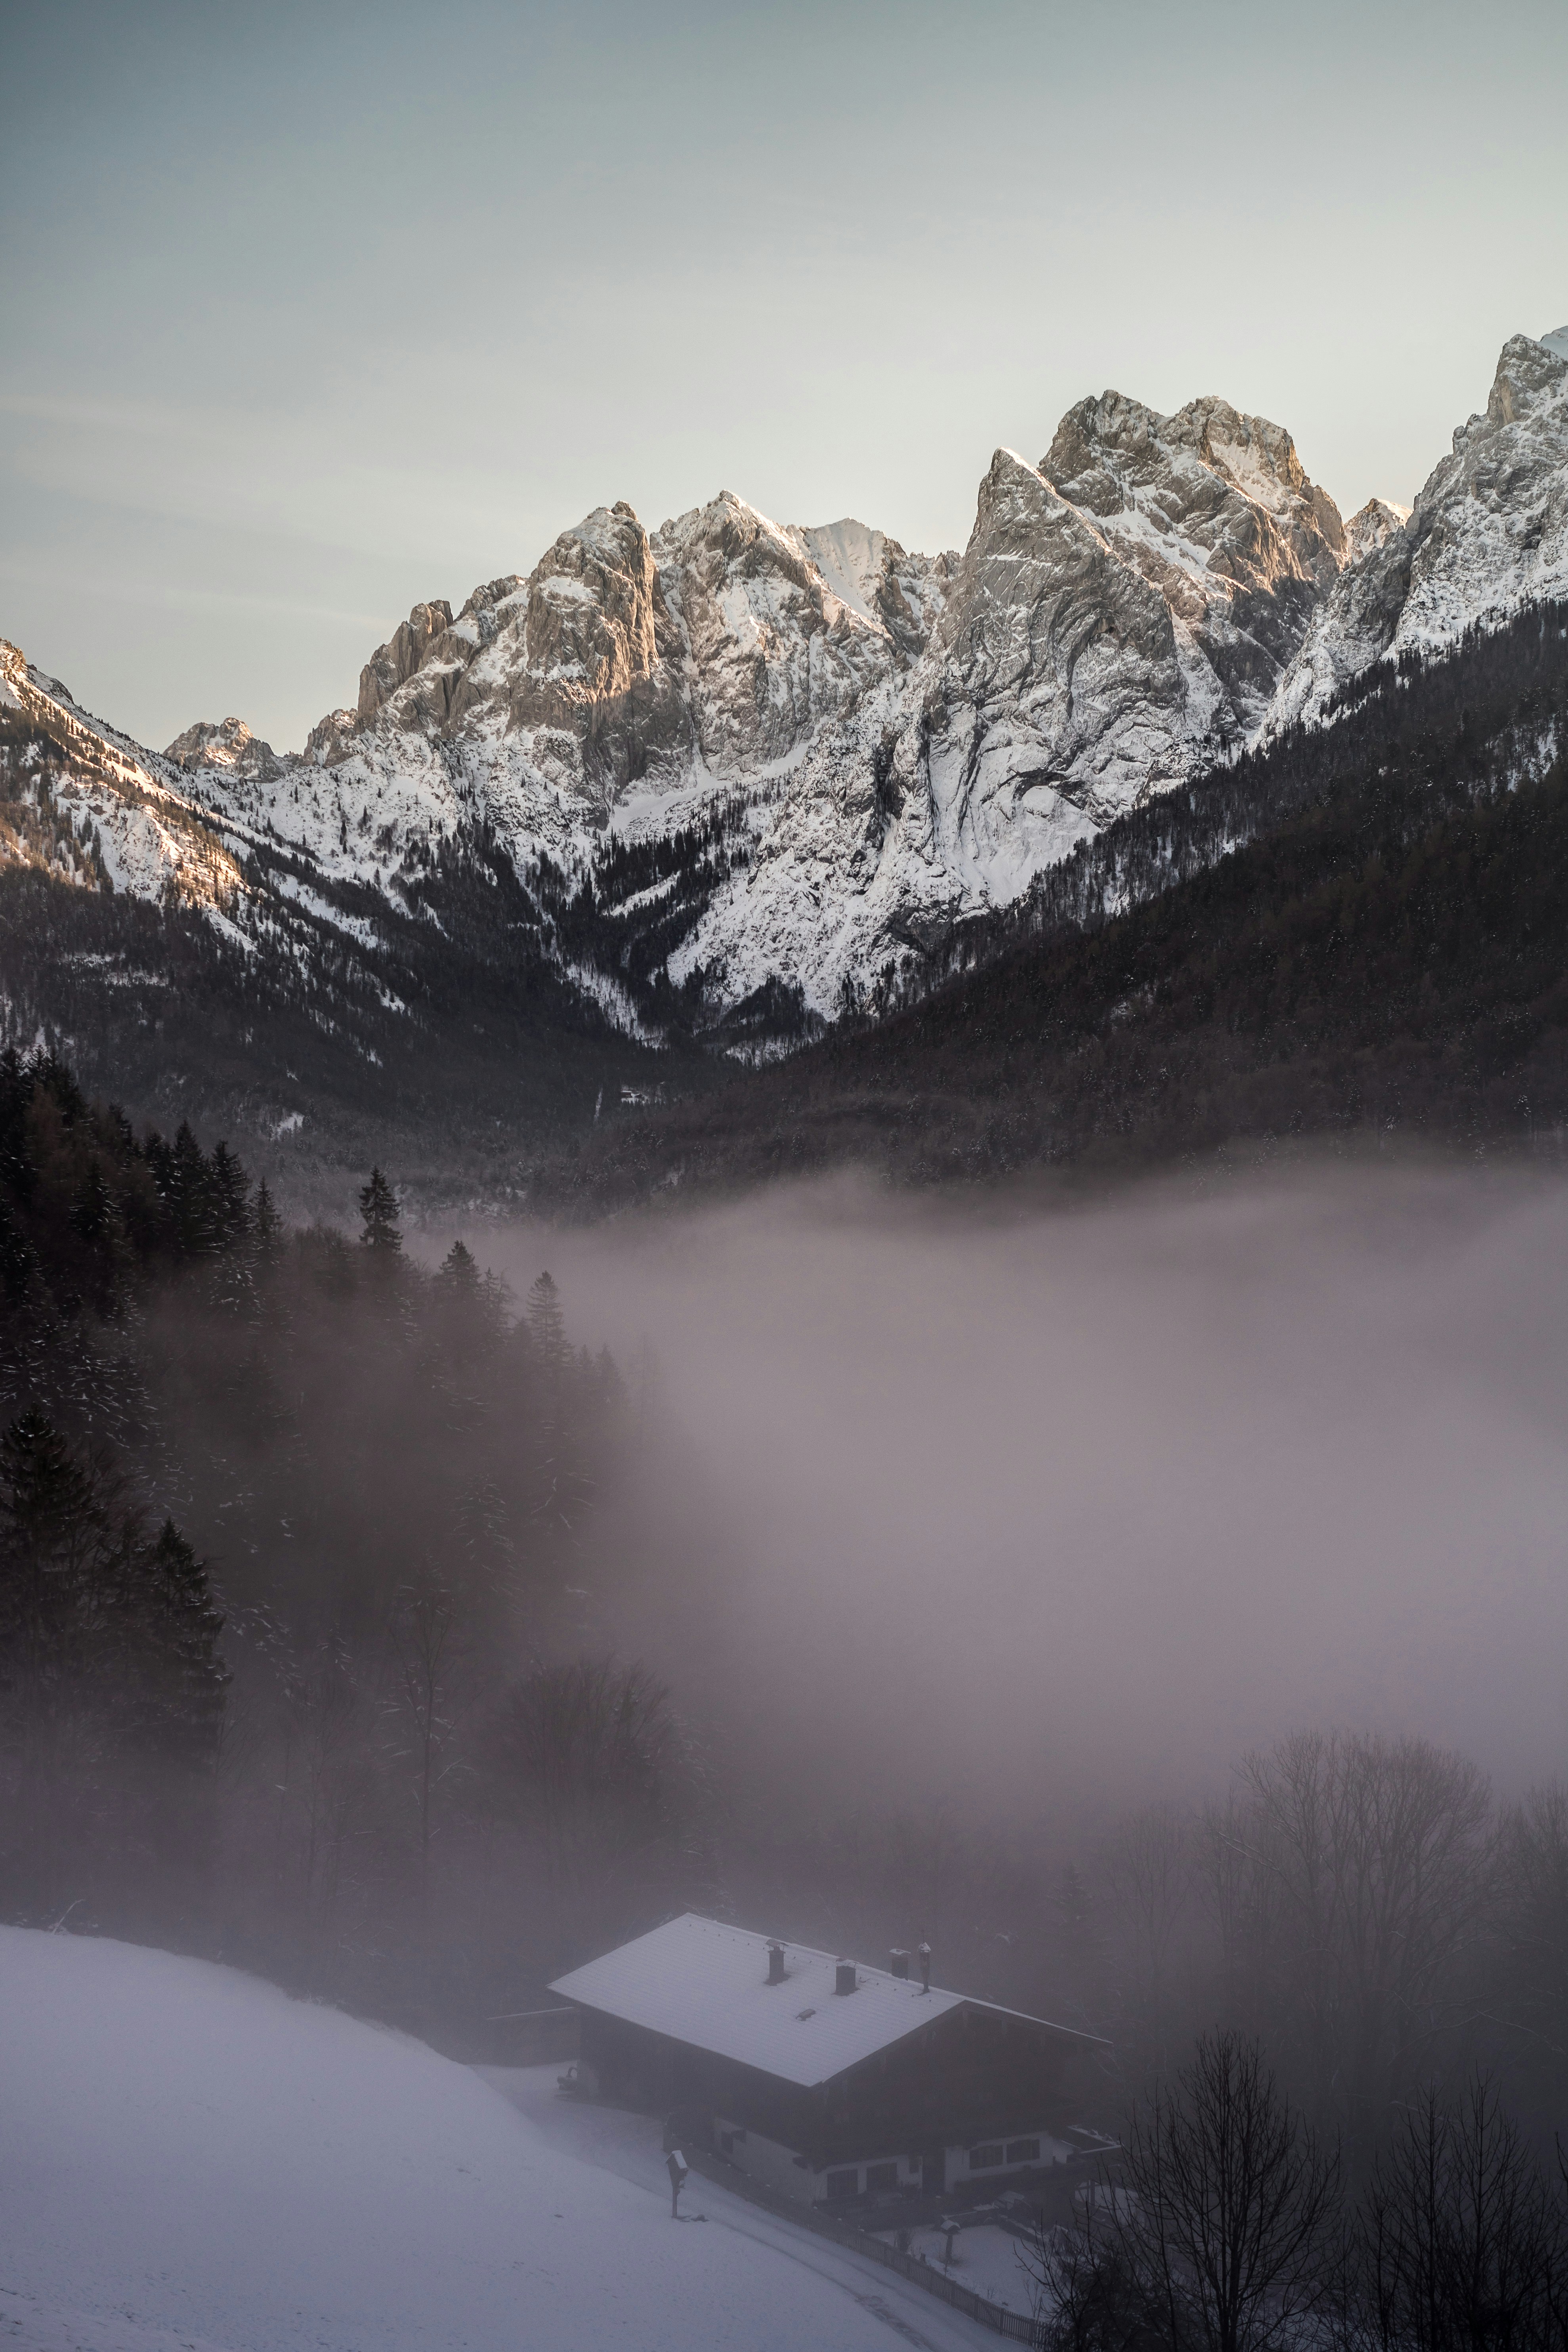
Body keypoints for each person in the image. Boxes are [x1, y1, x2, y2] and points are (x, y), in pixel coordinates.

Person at [667, 2146, 689, 2219]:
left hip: (676, 2181)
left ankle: (675, 2215)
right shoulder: (675, 2164)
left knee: (676, 2189)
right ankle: (674, 2215)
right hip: (676, 2180)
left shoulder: (675, 2165)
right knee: (675, 2189)